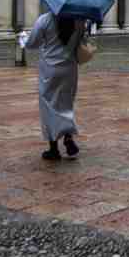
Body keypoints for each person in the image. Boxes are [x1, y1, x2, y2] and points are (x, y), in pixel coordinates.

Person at [23, 10, 88, 159]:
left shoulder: (45, 19)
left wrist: (24, 38)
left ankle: (53, 147)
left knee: (49, 105)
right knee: (66, 103)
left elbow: (33, 43)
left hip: (50, 68)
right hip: (70, 67)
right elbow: (81, 40)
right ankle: (68, 137)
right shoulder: (79, 20)